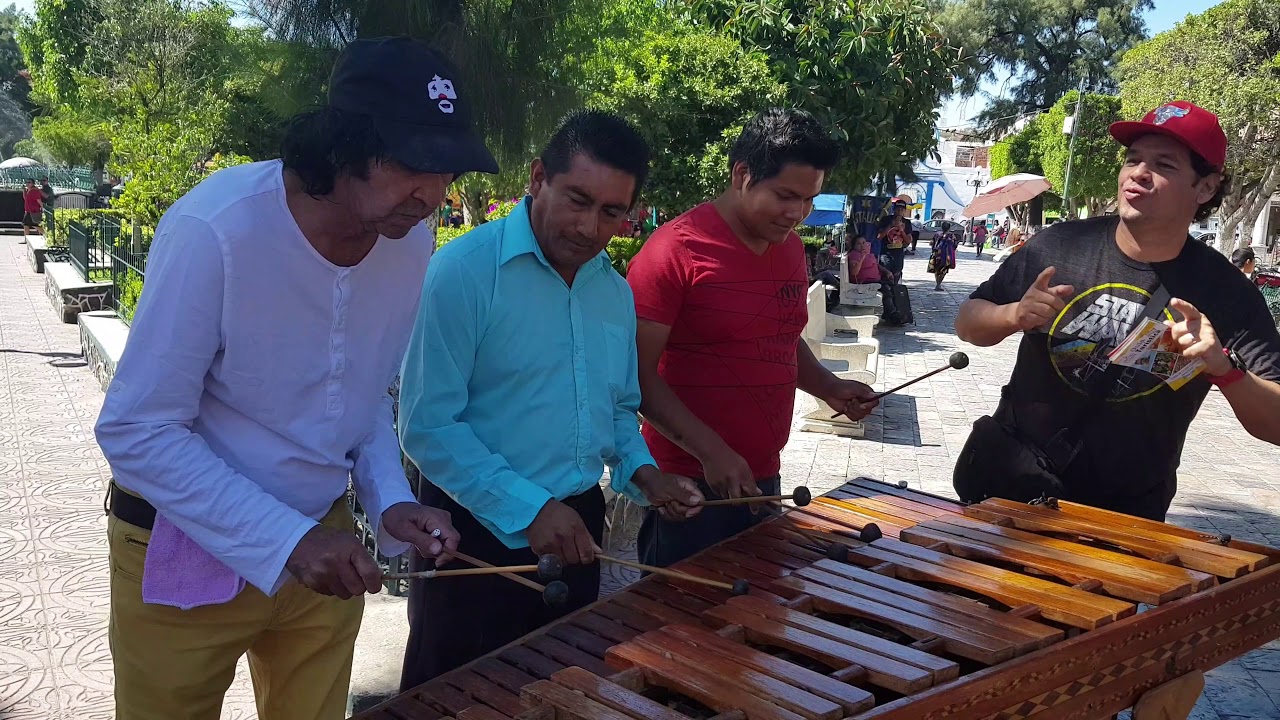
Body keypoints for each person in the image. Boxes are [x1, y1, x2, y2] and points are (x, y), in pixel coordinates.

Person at [93, 37, 495, 720]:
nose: (431, 195)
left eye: (448, 170)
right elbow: (136, 430)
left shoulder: (411, 243)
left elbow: (360, 390)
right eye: (411, 164)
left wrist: (388, 499)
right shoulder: (216, 229)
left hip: (325, 543)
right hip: (184, 543)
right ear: (343, 144)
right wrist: (285, 541)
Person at [396, 109, 703, 689]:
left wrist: (644, 473)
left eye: (611, 211)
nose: (589, 227)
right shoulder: (462, 271)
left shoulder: (612, 291)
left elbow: (615, 406)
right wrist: (529, 509)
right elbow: (426, 424)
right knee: (455, 696)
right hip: (474, 532)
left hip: (578, 526)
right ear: (538, 178)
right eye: (577, 200)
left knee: (561, 689)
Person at [952, 100, 1280, 521]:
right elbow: (967, 322)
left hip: (1124, 517)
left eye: (1164, 164)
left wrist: (1223, 369)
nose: (1138, 173)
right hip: (1007, 490)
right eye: (1133, 159)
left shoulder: (1228, 293)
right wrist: (1012, 314)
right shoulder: (1060, 245)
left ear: (1206, 188)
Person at [626, 108, 880, 568]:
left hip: (762, 476)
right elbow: (635, 377)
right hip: (687, 486)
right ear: (742, 174)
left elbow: (780, 337)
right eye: (786, 196)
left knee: (761, 615)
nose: (797, 214)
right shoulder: (672, 252)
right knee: (679, 629)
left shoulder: (787, 249)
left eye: (808, 200)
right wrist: (711, 452)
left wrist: (830, 387)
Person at [929, 221, 958, 291]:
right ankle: (938, 284)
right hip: (946, 255)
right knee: (943, 270)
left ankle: (937, 284)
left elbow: (931, 243)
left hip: (937, 254)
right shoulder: (951, 235)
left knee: (937, 269)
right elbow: (955, 245)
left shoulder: (937, 234)